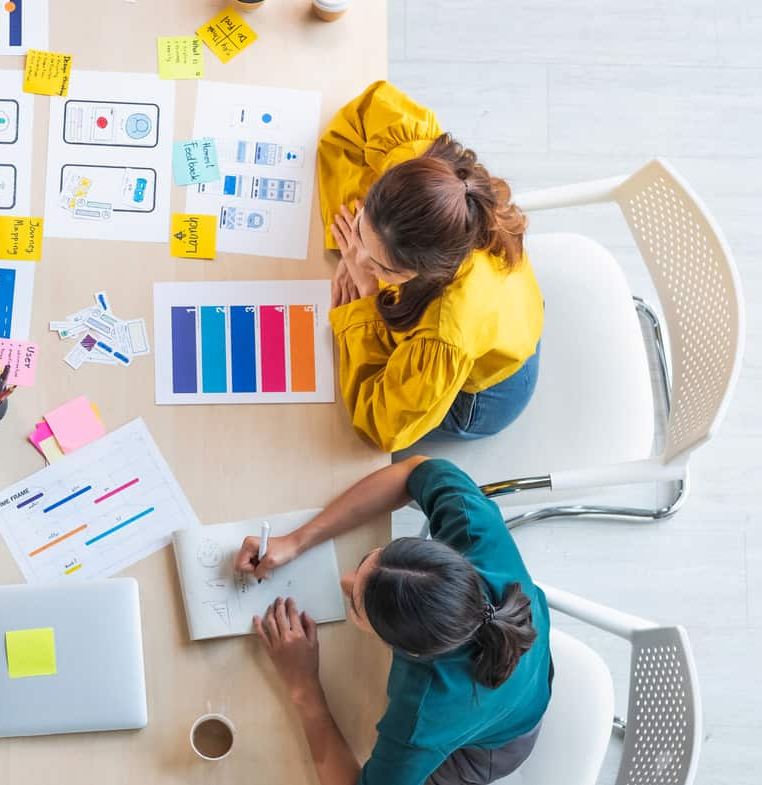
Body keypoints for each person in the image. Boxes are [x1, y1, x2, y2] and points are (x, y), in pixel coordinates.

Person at [236, 456, 552, 785]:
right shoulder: (474, 529)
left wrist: (303, 686)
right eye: (364, 564)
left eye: (357, 608)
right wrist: (296, 541)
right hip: (518, 677)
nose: (343, 580)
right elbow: (413, 469)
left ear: (411, 653)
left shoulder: (425, 710)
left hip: (493, 747)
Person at [319, 81, 543, 451]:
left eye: (383, 267)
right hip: (510, 319)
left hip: (488, 393)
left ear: (426, 272)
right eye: (363, 228)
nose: (359, 258)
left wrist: (369, 301)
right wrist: (351, 240)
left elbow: (381, 426)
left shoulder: (444, 332)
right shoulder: (425, 174)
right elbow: (361, 115)